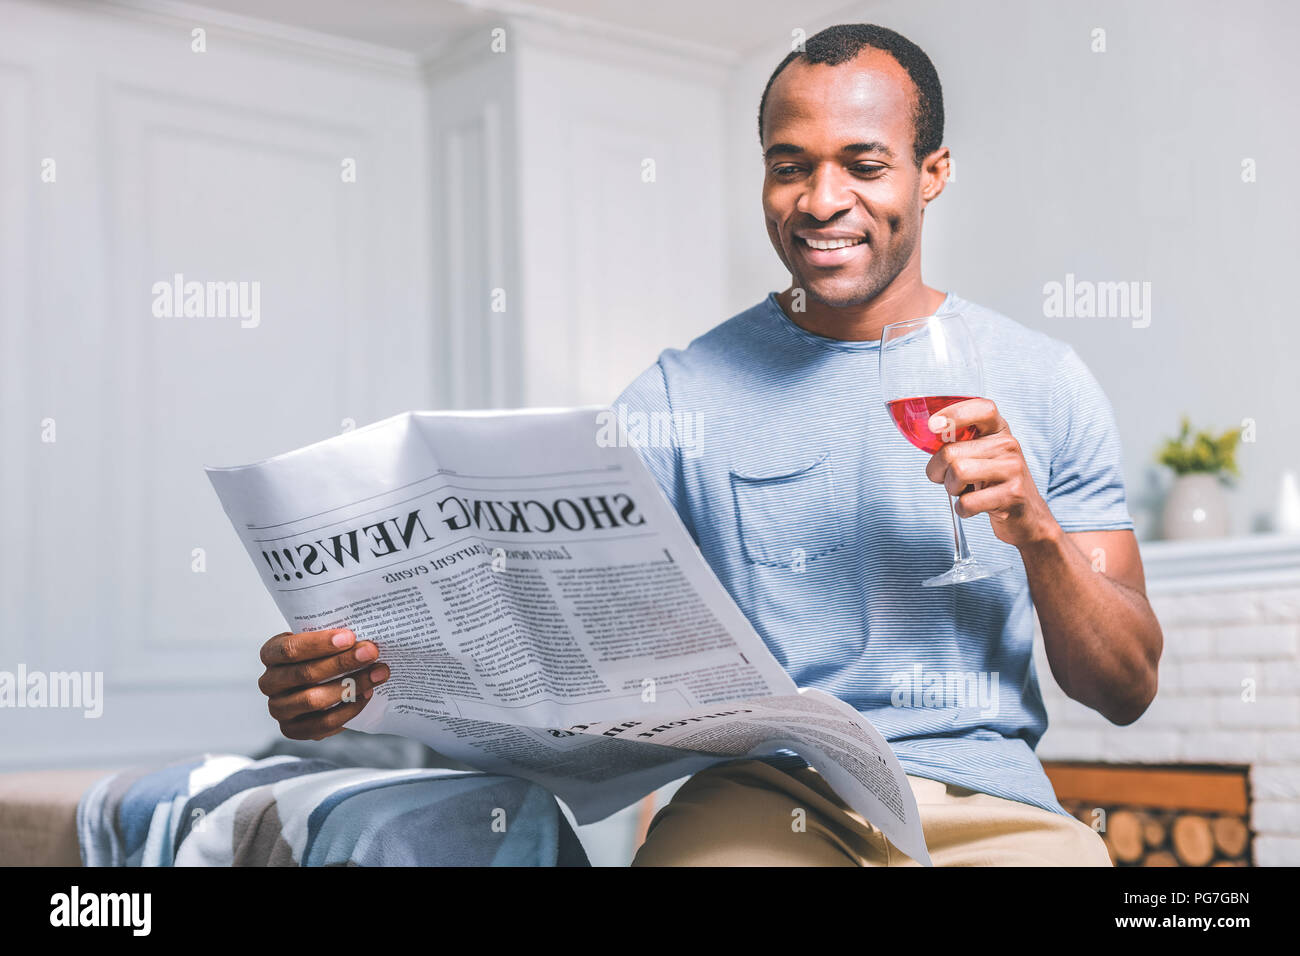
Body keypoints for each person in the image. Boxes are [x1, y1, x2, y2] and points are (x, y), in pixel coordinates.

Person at [254, 23, 1162, 866]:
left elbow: (1126, 689)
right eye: (790, 166)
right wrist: (356, 678)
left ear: (932, 173)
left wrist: (1036, 530)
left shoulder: (1045, 380)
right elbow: (550, 641)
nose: (821, 201)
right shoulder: (676, 397)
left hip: (990, 803)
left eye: (865, 164)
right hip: (765, 798)